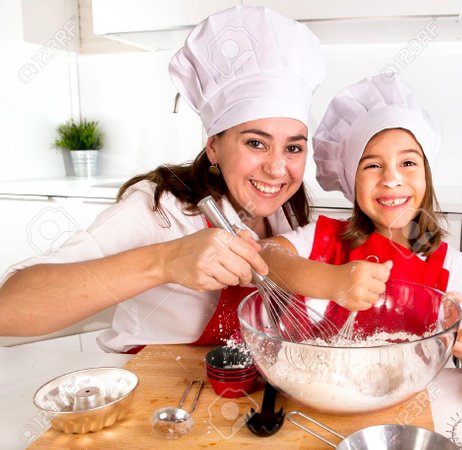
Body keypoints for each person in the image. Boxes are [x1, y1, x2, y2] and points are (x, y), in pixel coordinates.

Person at [0, 5, 325, 352]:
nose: (277, 169)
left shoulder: (288, 212)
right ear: (214, 146)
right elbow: (9, 308)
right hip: (154, 394)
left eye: (293, 148)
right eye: (256, 143)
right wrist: (165, 262)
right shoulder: (158, 208)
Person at [260, 74, 462, 372]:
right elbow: (264, 255)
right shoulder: (323, 238)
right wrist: (333, 282)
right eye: (373, 165)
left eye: (408, 163)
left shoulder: (446, 263)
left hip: (411, 401)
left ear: (426, 174)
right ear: (351, 179)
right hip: (324, 392)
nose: (391, 180)